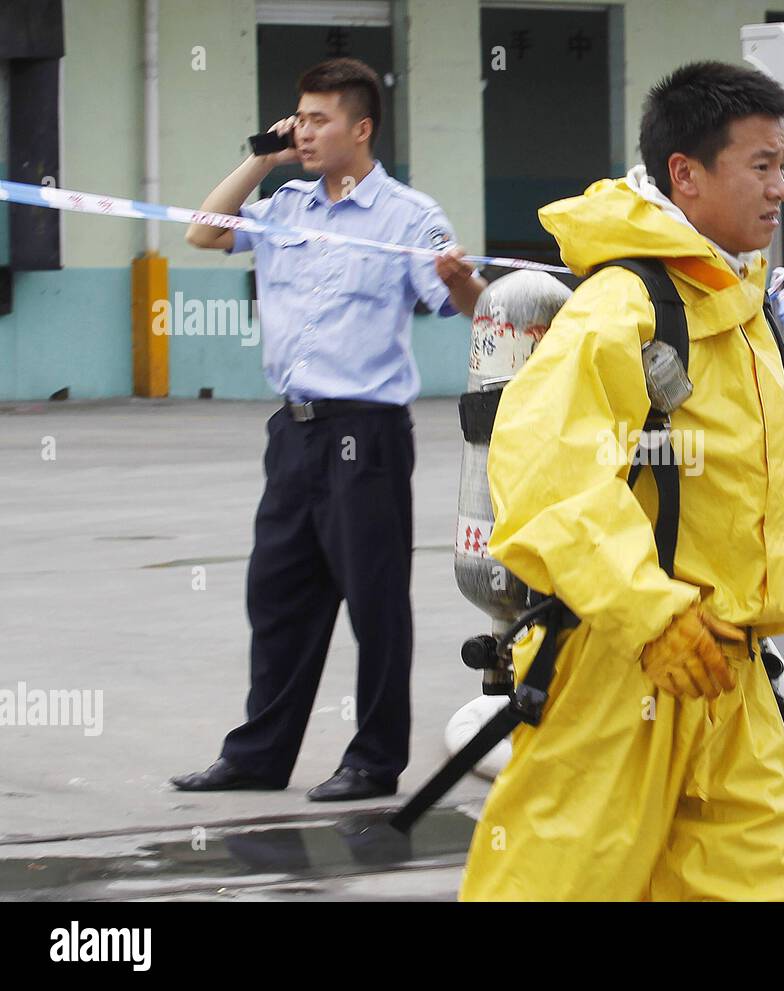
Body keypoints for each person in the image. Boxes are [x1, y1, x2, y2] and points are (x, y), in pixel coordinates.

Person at [459, 60, 784, 901]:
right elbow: (548, 471)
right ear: (687, 172)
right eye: (761, 165)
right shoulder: (625, 306)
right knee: (560, 883)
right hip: (619, 674)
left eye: (783, 166)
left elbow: (763, 474)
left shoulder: (745, 311)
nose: (781, 189)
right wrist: (650, 612)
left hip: (730, 675)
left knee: (765, 881)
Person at [172, 57, 486, 801]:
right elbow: (202, 234)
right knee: (277, 594)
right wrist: (261, 157)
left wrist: (459, 278)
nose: (303, 132)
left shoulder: (408, 217)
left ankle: (374, 760)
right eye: (299, 118)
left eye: (318, 120)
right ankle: (258, 753)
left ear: (362, 127)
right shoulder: (285, 206)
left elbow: (474, 308)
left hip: (365, 433)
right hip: (294, 430)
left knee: (374, 601)